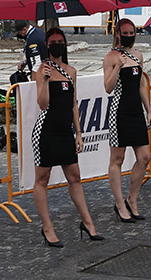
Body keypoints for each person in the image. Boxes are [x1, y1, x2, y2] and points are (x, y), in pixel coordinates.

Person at [32, 28, 102, 247]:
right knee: (42, 179)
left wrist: (79, 133)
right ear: (47, 45)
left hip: (65, 130)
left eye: (60, 41)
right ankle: (47, 228)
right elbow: (42, 104)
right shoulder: (42, 70)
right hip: (46, 130)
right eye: (53, 42)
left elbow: (73, 104)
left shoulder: (71, 71)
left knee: (75, 176)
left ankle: (88, 223)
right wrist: (45, 81)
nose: (57, 45)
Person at [102, 19, 151, 223]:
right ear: (118, 34)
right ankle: (119, 204)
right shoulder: (111, 57)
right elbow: (108, 87)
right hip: (119, 111)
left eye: (132, 32)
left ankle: (132, 199)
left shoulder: (137, 55)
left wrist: (148, 110)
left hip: (136, 110)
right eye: (126, 33)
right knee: (117, 159)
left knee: (144, 156)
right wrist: (117, 67)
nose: (129, 36)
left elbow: (141, 85)